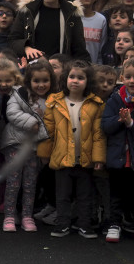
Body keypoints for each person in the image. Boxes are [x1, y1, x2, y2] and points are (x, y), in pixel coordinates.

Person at [37, 60, 105, 238]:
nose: (75, 80)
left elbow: (98, 134)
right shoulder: (55, 102)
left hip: (85, 158)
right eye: (71, 76)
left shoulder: (96, 104)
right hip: (62, 158)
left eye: (80, 78)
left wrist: (98, 158)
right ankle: (62, 224)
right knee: (63, 195)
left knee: (85, 196)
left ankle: (84, 225)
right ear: (65, 79)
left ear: (87, 81)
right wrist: (44, 154)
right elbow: (48, 131)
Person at [101, 57, 134, 244]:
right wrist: (120, 120)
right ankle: (114, 224)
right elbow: (105, 125)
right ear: (122, 78)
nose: (132, 81)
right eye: (129, 77)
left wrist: (131, 123)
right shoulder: (115, 100)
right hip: (118, 158)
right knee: (117, 193)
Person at [1, 60, 55, 232]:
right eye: (36, 81)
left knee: (31, 183)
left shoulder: (53, 99)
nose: (41, 85)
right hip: (16, 143)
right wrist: (32, 120)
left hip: (35, 148)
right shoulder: (19, 94)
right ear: (29, 81)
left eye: (45, 81)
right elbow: (12, 113)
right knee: (13, 181)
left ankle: (27, 215)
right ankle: (9, 215)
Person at [9, 0, 91, 61]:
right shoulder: (27, 10)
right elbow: (13, 40)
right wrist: (26, 48)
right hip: (31, 68)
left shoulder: (72, 13)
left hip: (60, 69)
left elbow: (79, 50)